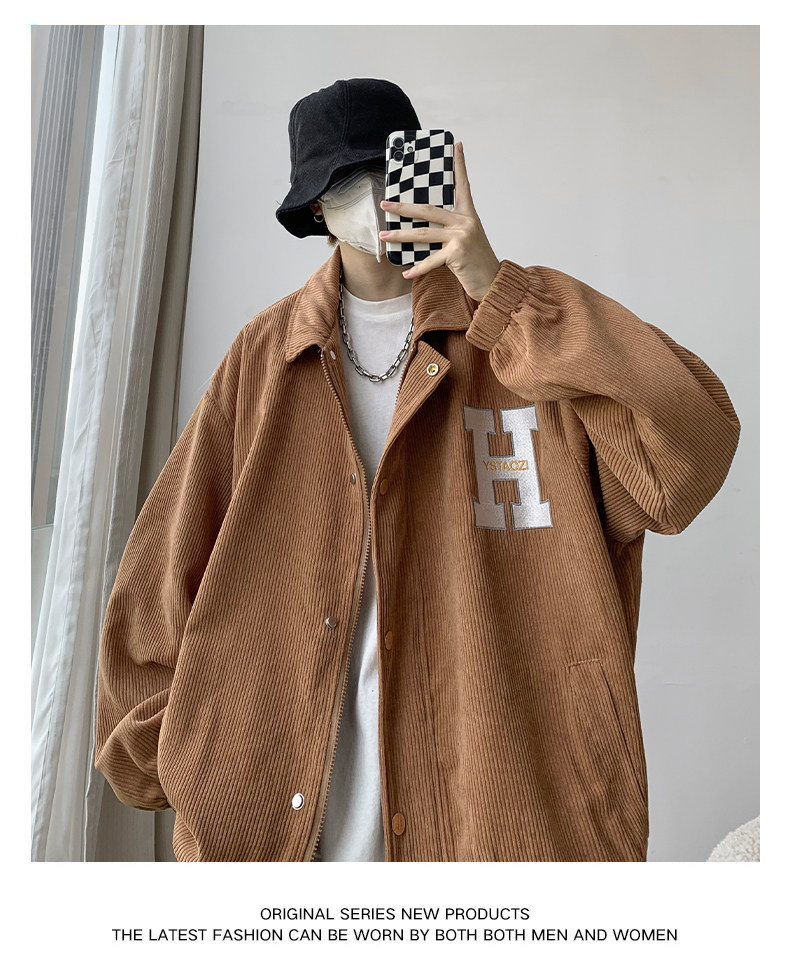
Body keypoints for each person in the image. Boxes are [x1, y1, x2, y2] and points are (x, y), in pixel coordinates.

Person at [94, 78, 741, 863]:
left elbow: (689, 452)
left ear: (426, 172)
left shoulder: (521, 342)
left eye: (387, 170)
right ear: (315, 208)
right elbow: (158, 578)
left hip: (506, 828)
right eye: (346, 180)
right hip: (294, 841)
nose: (373, 196)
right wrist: (209, 756)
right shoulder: (265, 362)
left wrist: (497, 288)